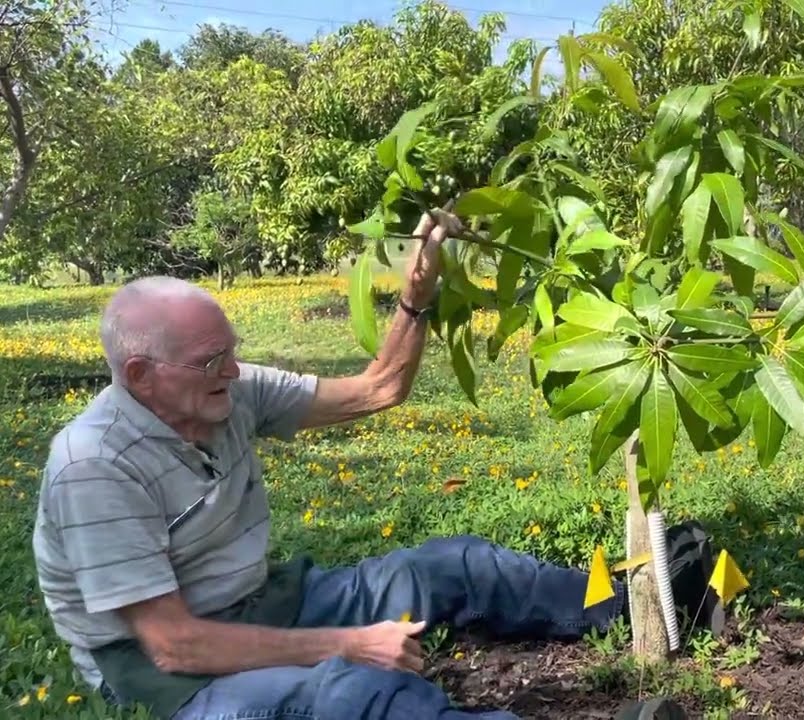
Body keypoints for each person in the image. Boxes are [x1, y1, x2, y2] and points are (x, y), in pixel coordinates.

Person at [31, 210, 718, 720]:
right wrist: (350, 644)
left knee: (453, 565)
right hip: (171, 671)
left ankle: (626, 607)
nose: (234, 371)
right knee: (354, 697)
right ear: (141, 374)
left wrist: (415, 296)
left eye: (232, 352)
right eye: (213, 362)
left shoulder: (230, 394)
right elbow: (175, 645)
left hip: (269, 604)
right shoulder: (94, 466)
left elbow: (379, 388)